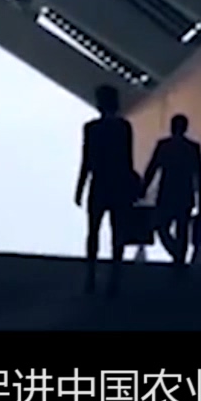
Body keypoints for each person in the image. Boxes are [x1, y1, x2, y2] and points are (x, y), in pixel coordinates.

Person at [74, 84, 137, 296]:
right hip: (118, 184)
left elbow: (87, 159)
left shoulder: (91, 128)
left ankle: (90, 275)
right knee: (117, 231)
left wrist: (80, 186)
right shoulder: (123, 127)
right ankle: (114, 277)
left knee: (93, 231)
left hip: (99, 183)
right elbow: (127, 159)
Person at [142, 114, 201, 276]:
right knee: (182, 229)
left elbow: (152, 168)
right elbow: (199, 175)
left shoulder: (164, 146)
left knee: (162, 227)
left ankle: (176, 254)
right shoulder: (192, 148)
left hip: (167, 193)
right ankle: (179, 257)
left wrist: (143, 188)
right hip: (185, 193)